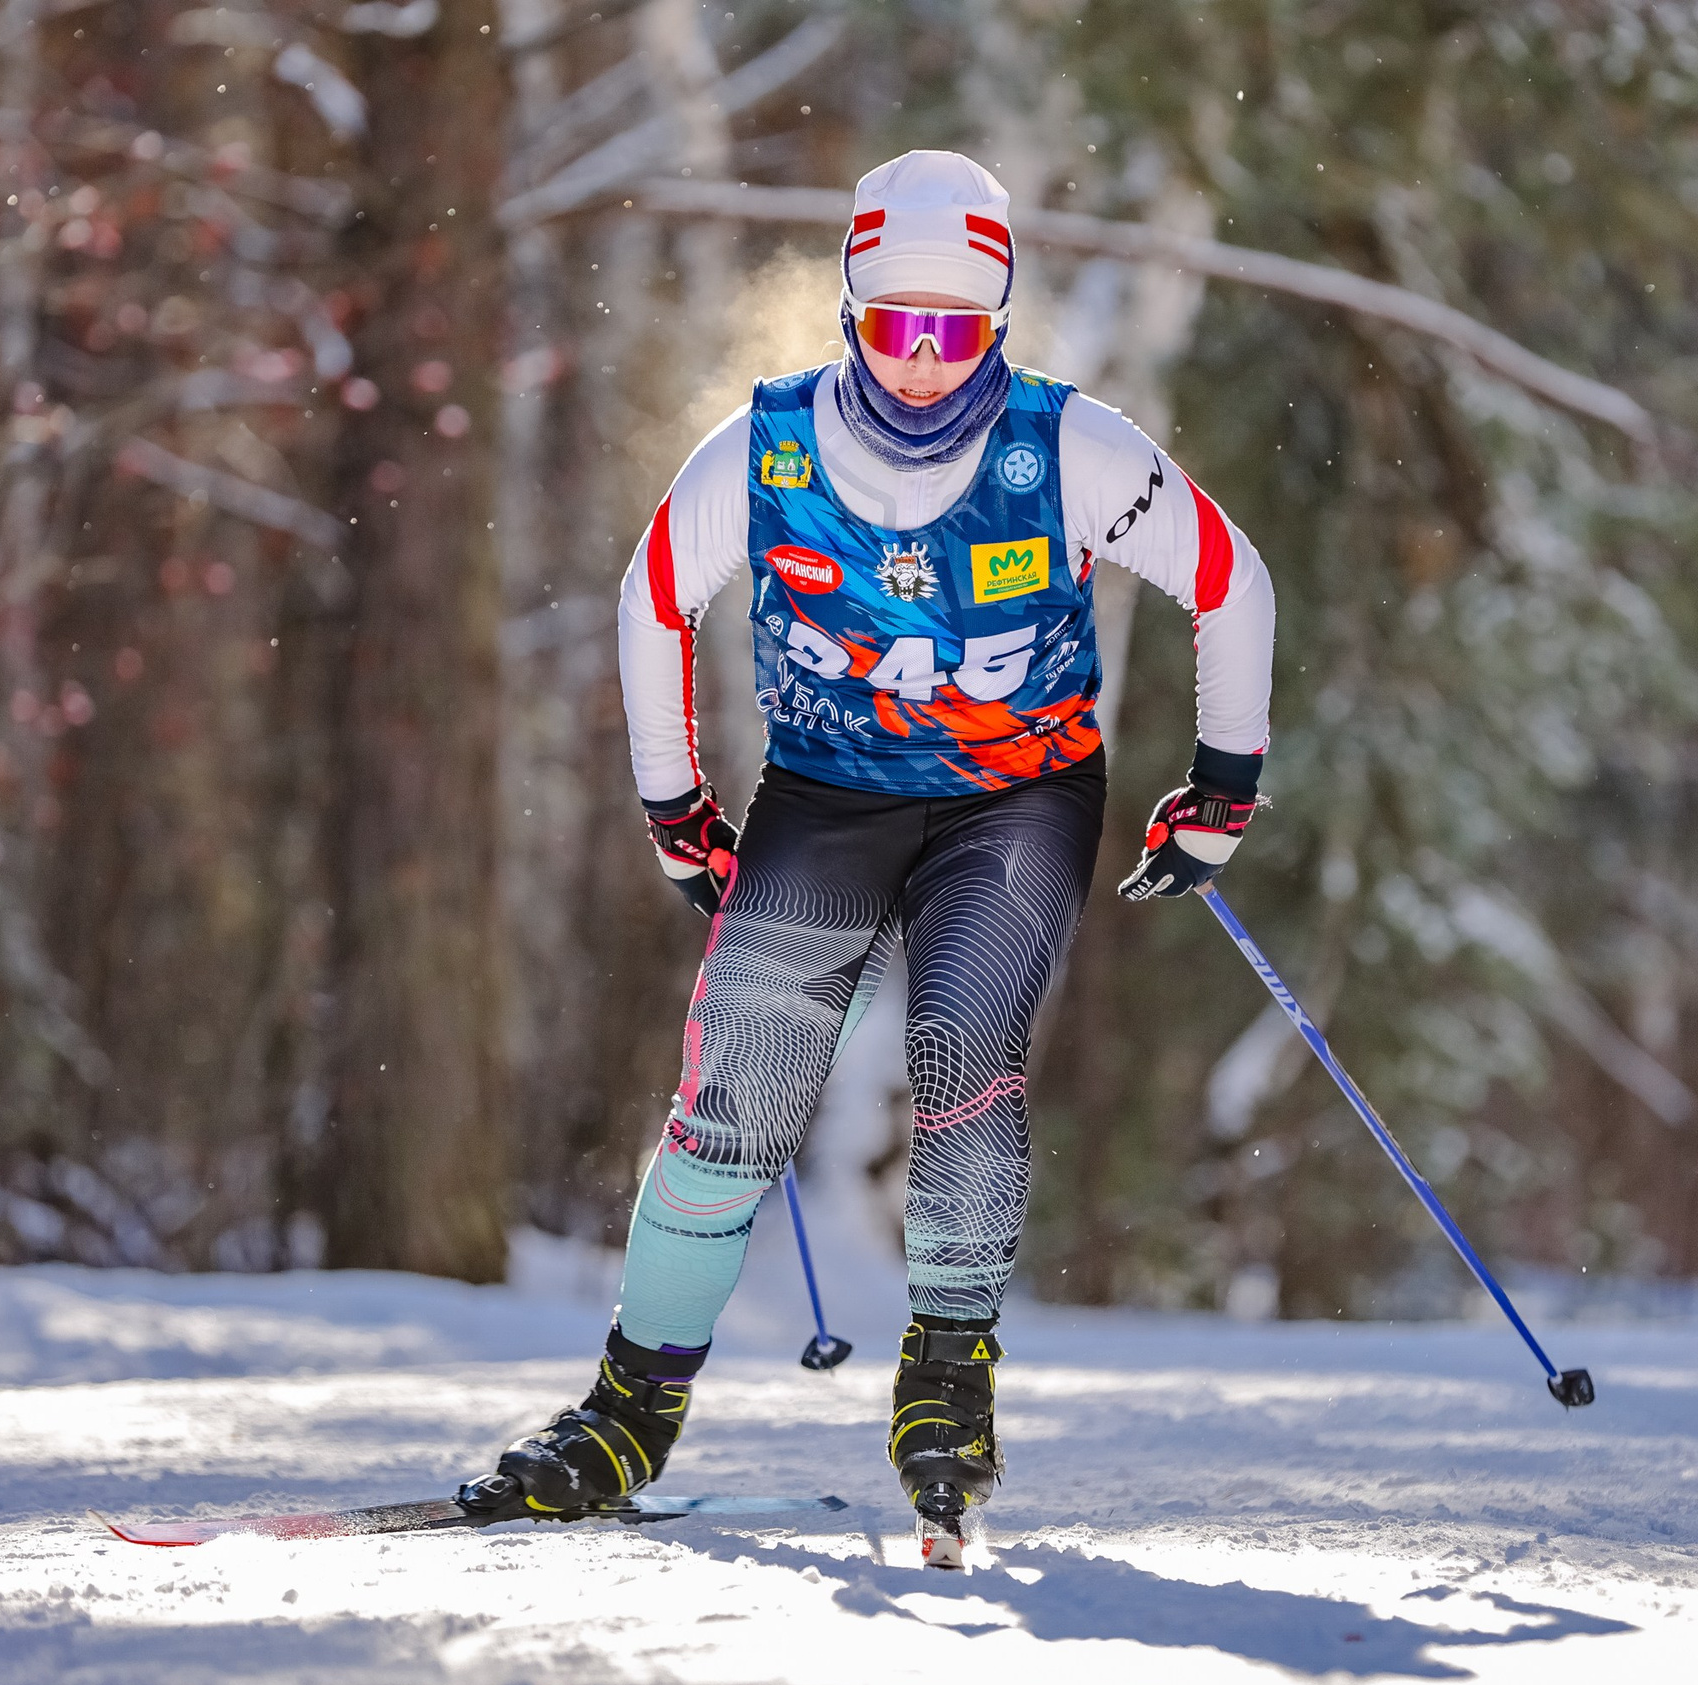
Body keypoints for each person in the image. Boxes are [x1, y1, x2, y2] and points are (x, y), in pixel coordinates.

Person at [455, 152, 1276, 1542]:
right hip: (827, 792)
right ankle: (625, 1411)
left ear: (1000, 317)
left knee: (965, 1046)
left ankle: (947, 1380)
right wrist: (676, 806)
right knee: (739, 1091)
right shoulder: (769, 446)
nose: (919, 357)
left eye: (954, 327)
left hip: (1014, 800)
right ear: (850, 307)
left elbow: (1229, 580)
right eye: (894, 322)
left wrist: (1222, 785)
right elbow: (652, 596)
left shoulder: (1067, 448)